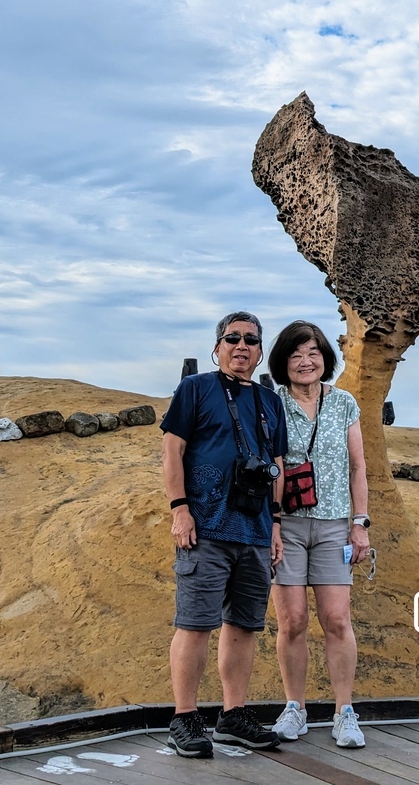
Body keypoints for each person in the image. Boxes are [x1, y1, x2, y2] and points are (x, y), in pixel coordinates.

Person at [161, 311, 287, 758]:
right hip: (206, 527)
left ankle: (233, 716)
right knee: (195, 624)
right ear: (217, 347)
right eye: (231, 338)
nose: (241, 346)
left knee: (244, 626)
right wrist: (180, 510)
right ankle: (185, 717)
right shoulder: (194, 390)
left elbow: (277, 466)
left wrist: (275, 524)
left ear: (260, 350)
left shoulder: (271, 402)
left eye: (251, 340)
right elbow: (172, 448)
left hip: (254, 532)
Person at [267, 320, 370, 748]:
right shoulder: (271, 403)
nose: (305, 361)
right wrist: (270, 523)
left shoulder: (344, 402)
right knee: (291, 621)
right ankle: (296, 709)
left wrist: (360, 523)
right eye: (295, 355)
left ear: (325, 357)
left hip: (333, 527)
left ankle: (345, 712)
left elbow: (358, 466)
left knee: (336, 619)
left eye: (312, 353)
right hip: (286, 524)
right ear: (283, 362)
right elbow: (270, 463)